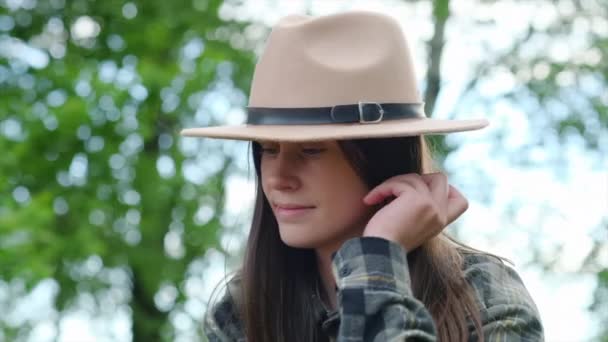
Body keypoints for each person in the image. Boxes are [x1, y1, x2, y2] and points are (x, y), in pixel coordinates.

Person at [181, 10, 544, 342]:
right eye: (268, 149)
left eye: (311, 150)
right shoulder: (242, 310)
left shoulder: (486, 298)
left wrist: (379, 255)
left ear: (381, 157)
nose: (278, 179)